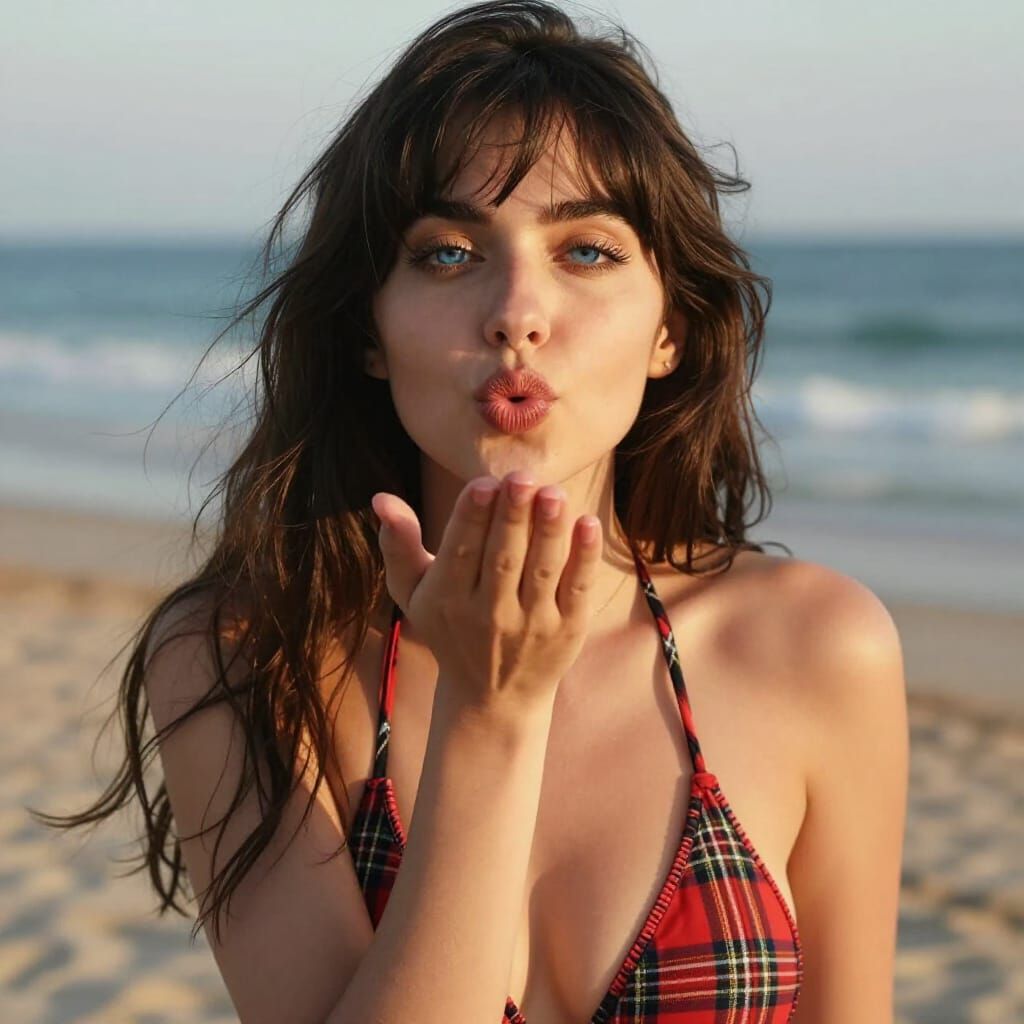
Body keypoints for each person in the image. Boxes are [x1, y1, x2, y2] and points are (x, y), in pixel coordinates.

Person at [38, 2, 908, 1021]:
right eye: (448, 253)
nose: (515, 314)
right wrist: (491, 716)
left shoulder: (816, 646)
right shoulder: (247, 656)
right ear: (368, 330)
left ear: (670, 327)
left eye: (587, 251)